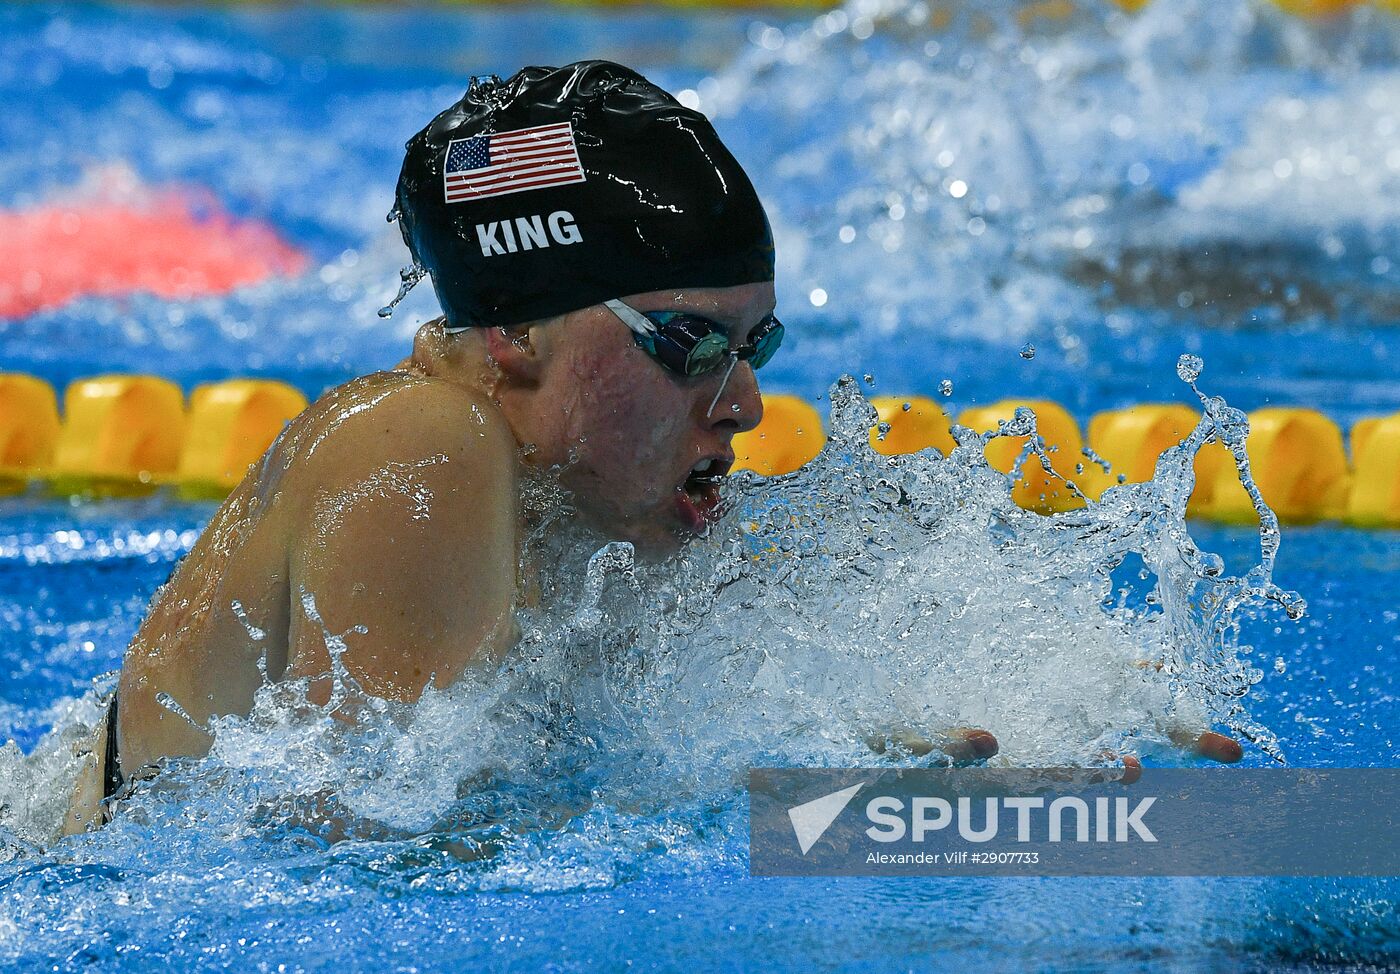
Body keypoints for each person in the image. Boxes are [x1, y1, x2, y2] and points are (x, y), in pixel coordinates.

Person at [62, 60, 1232, 835]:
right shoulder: (419, 441)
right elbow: (376, 856)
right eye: (687, 344)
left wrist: (1034, 697)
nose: (744, 403)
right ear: (515, 331)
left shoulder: (585, 517)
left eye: (754, 342)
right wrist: (810, 802)